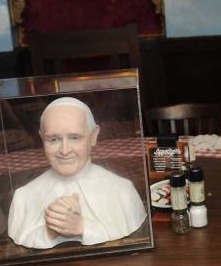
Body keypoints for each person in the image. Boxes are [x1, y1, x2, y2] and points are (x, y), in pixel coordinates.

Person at [8, 97, 146, 249]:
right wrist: (51, 230)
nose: (65, 150)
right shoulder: (24, 197)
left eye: (75, 138)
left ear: (93, 136)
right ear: (42, 138)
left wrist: (82, 227)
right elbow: (19, 241)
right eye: (53, 139)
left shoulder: (122, 191)